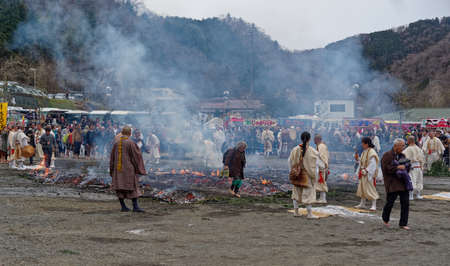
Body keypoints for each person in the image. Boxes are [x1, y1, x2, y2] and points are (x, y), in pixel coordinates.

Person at [110, 126, 147, 212]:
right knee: (133, 187)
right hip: (128, 170)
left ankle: (123, 206)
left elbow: (112, 158)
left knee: (119, 187)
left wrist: (112, 169)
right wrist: (139, 168)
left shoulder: (116, 143)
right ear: (130, 133)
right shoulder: (131, 143)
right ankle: (135, 207)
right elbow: (136, 156)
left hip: (118, 169)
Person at [381, 138, 411, 230]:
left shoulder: (402, 155)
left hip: (402, 182)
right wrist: (397, 167)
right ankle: (385, 218)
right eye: (402, 146)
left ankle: (403, 223)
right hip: (392, 183)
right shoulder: (387, 155)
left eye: (403, 145)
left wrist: (406, 167)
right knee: (390, 203)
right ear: (395, 146)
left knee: (405, 203)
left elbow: (407, 167)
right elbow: (386, 168)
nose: (403, 147)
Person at [289, 132, 319, 219]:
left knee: (296, 193)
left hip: (297, 174)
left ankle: (296, 212)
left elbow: (289, 161)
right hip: (307, 176)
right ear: (309, 139)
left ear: (301, 138)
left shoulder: (295, 149)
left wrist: (293, 171)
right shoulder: (313, 151)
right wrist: (315, 177)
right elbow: (316, 166)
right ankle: (309, 214)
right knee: (308, 194)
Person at [355, 137, 380, 211]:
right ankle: (362, 203)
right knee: (362, 188)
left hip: (368, 173)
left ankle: (374, 205)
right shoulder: (364, 151)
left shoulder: (372, 152)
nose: (362, 145)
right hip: (363, 172)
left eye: (363, 143)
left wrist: (366, 170)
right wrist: (358, 159)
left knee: (370, 188)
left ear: (367, 144)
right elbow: (362, 162)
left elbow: (373, 164)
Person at [403, 136, 425, 200]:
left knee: (412, 181)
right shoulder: (419, 148)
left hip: (412, 166)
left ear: (409, 141)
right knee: (419, 180)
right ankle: (418, 195)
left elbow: (404, 158)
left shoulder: (408, 149)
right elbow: (422, 158)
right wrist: (422, 166)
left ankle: (411, 196)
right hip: (418, 166)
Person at [314, 134, 329, 203]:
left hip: (321, 167)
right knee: (320, 182)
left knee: (322, 182)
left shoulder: (321, 146)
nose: (313, 141)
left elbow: (323, 157)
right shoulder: (320, 146)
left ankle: (323, 199)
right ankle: (321, 198)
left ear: (317, 139)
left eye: (314, 139)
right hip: (320, 166)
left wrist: (326, 166)